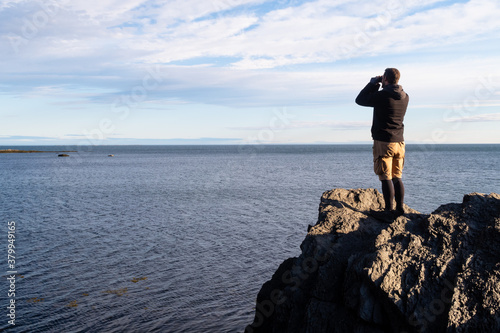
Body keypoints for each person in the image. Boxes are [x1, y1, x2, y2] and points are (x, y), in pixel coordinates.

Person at [355, 68, 409, 218]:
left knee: (385, 177)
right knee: (397, 177)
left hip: (384, 142)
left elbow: (360, 99)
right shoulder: (405, 97)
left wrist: (373, 84)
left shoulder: (382, 96)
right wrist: (382, 84)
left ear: (385, 79)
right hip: (400, 142)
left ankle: (388, 211)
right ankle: (399, 209)